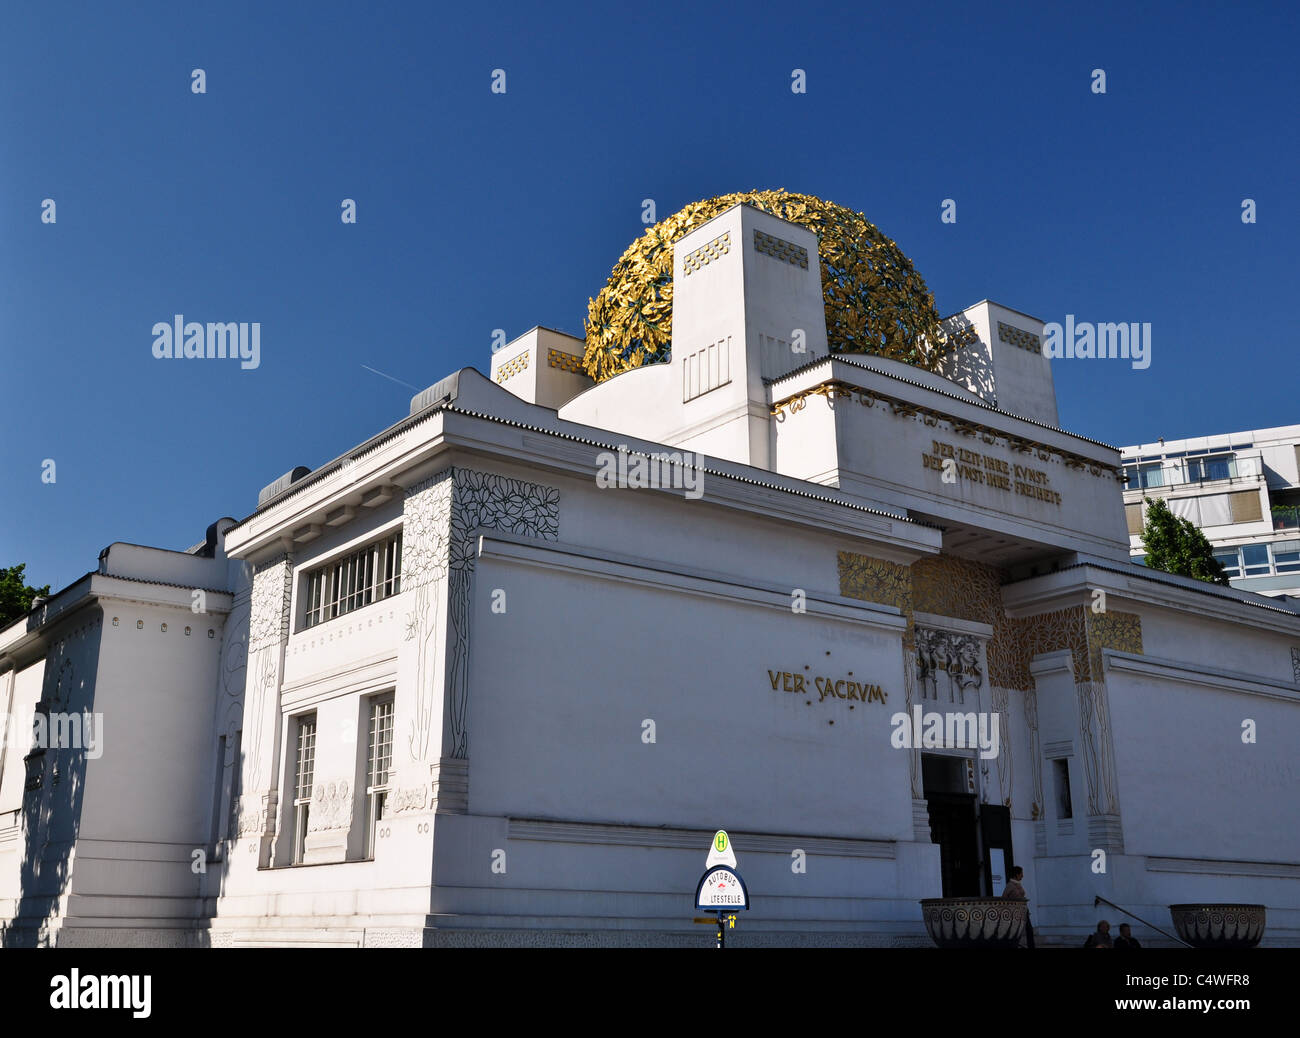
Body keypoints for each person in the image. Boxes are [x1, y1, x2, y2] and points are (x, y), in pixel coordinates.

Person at [1000, 865, 1034, 949]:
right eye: (1021, 873)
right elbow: (1004, 898)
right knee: (1016, 931)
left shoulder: (1018, 884)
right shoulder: (1010, 885)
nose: (1022, 875)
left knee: (1029, 930)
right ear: (1016, 874)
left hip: (1023, 910)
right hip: (1015, 912)